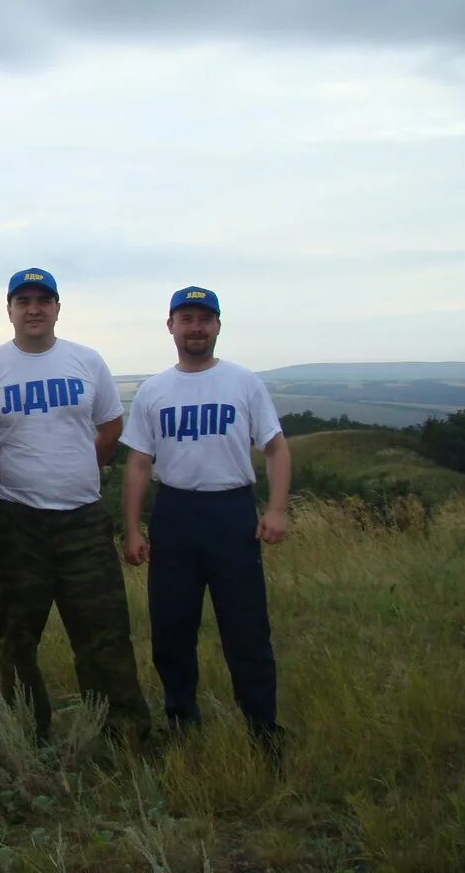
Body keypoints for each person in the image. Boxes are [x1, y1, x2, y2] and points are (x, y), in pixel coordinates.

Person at [0, 268, 151, 746]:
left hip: (83, 522)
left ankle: (124, 738)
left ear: (57, 308)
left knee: (104, 635)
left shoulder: (86, 361)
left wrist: (76, 468)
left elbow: (111, 425)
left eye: (43, 299)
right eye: (23, 300)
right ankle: (26, 737)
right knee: (14, 641)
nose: (34, 308)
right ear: (8, 309)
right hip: (16, 523)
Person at [120, 286, 291, 750]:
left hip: (232, 513)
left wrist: (276, 509)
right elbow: (138, 463)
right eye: (186, 318)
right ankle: (182, 723)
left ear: (217, 325)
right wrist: (133, 528)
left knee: (247, 629)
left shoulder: (243, 382)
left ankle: (262, 731)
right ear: (170, 325)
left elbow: (275, 447)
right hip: (175, 513)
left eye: (204, 319)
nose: (196, 327)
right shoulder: (154, 390)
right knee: (172, 628)